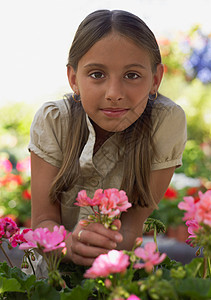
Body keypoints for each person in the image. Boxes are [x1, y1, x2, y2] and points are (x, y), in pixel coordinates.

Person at [29, 9, 187, 274]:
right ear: (73, 79)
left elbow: (132, 225)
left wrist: (99, 250)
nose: (114, 94)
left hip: (115, 270)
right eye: (97, 75)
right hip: (48, 277)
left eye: (132, 75)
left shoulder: (165, 122)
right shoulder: (53, 120)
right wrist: (70, 244)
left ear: (155, 79)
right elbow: (43, 220)